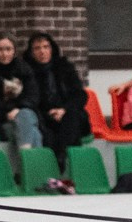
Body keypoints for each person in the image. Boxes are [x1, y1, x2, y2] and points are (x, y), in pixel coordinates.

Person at [23, 31, 89, 162]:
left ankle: (60, 159)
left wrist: (63, 110)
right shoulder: (26, 71)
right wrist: (48, 113)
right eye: (37, 48)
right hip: (42, 115)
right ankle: (59, 161)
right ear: (31, 52)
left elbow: (80, 95)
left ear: (52, 49)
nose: (42, 51)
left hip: (67, 113)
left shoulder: (65, 67)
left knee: (72, 119)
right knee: (46, 133)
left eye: (46, 47)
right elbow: (28, 99)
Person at [0, 33, 41, 145]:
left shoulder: (23, 67)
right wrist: (9, 111)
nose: (4, 54)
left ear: (14, 51)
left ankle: (27, 154)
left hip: (21, 114)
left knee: (25, 117)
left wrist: (18, 110)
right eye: (0, 49)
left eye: (8, 49)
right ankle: (30, 157)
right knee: (34, 132)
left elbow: (33, 95)